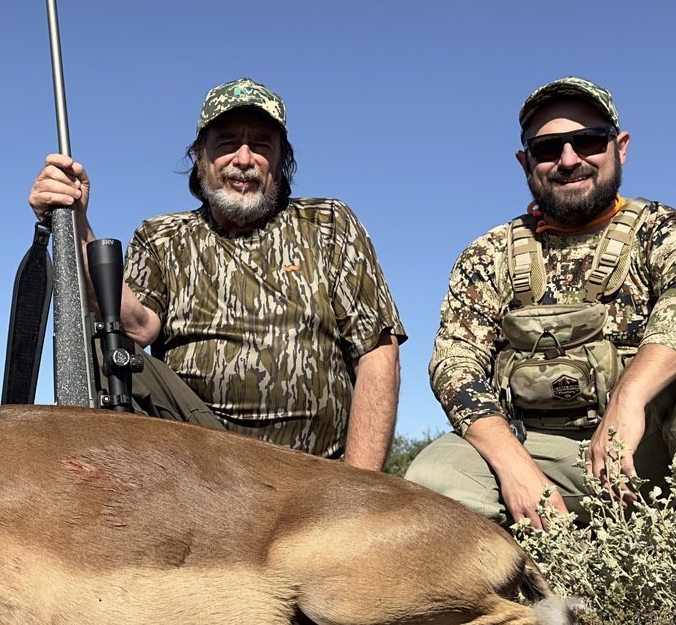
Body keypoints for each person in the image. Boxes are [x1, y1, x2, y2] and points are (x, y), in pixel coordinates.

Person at [405, 76, 676, 527]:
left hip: (650, 450)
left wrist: (629, 399)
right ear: (525, 161)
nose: (569, 160)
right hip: (537, 451)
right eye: (547, 148)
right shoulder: (488, 255)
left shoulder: (665, 229)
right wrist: (514, 464)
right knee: (432, 479)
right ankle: (516, 584)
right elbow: (454, 362)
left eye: (589, 141)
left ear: (621, 146)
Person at [28, 78, 405, 469]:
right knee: (99, 348)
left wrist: (357, 489)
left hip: (315, 472)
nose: (243, 158)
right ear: (199, 155)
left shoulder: (330, 224)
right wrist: (76, 223)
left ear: (281, 159)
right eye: (226, 143)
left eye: (261, 144)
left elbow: (377, 352)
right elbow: (136, 328)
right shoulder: (161, 236)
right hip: (201, 464)